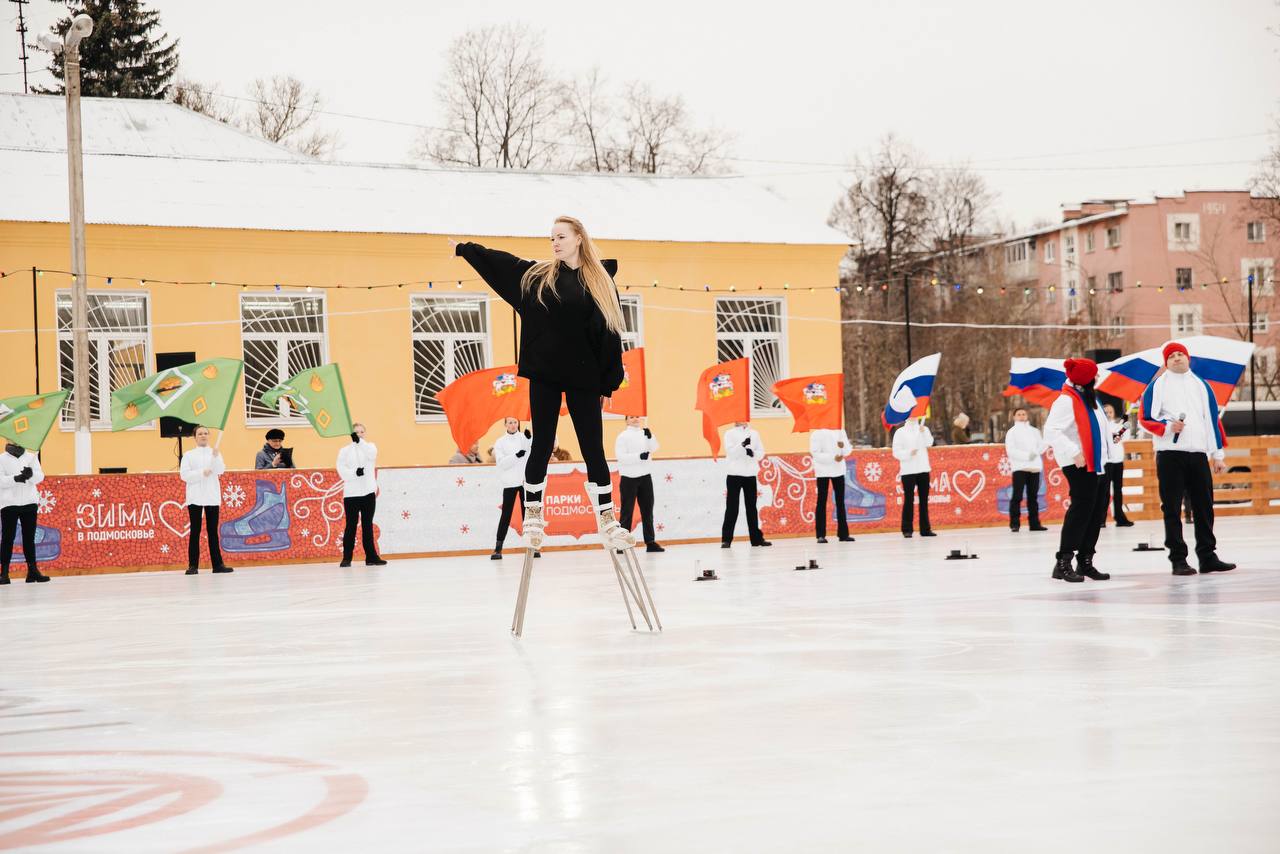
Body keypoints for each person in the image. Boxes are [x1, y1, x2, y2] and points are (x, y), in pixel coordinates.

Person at [451, 216, 634, 551]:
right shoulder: (539, 277)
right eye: (551, 238)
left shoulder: (600, 281)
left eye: (561, 237)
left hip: (583, 377)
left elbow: (610, 335)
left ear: (579, 238)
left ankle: (607, 520)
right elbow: (504, 265)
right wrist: (468, 250)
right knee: (542, 442)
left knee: (593, 447)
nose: (555, 243)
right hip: (546, 372)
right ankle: (534, 513)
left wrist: (609, 382)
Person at [1140, 342, 1235, 575]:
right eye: (1171, 356)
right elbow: (1145, 418)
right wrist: (1169, 427)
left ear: (1188, 358)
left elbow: (1211, 421)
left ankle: (1207, 556)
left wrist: (1217, 454)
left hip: (1198, 454)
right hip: (1170, 454)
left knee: (1204, 507)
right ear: (1166, 362)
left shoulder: (1202, 386)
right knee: (1172, 507)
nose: (1176, 358)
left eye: (1180, 354)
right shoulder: (1157, 386)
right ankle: (1178, 559)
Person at [1043, 358, 1111, 583]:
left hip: (1097, 463)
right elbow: (1051, 431)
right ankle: (1063, 562)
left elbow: (1096, 430)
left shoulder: (1089, 399)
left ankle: (1085, 561)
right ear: (1085, 379)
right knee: (1081, 512)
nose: (1098, 378)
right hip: (1079, 464)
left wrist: (1111, 439)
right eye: (1094, 375)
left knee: (1095, 513)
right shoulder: (1066, 401)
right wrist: (1074, 452)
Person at [180, 426, 233, 575]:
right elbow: (184, 475)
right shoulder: (189, 455)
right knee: (195, 531)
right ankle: (193, 565)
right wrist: (201, 473)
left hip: (211, 496)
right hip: (195, 497)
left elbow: (220, 470)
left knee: (212, 531)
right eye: (199, 434)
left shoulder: (215, 453)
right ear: (195, 437)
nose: (203, 436)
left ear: (209, 436)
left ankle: (217, 565)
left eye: (205, 433)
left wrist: (215, 458)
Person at [336, 423, 387, 568]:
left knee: (367, 525)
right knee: (351, 525)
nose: (359, 434)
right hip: (351, 494)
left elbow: (372, 454)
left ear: (365, 433)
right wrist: (353, 473)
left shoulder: (370, 447)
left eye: (361, 432)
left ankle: (371, 557)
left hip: (368, 492)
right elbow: (341, 469)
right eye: (356, 432)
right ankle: (347, 558)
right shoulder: (344, 451)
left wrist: (360, 443)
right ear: (351, 434)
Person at [0, 442, 50, 584]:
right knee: (7, 538)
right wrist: (15, 479)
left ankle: (32, 571)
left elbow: (40, 476)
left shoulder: (31, 457)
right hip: (9, 503)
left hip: (29, 502)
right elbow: (0, 480)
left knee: (29, 538)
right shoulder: (2, 459)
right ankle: (4, 573)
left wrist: (31, 474)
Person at [615, 415, 665, 553]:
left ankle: (650, 542)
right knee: (627, 511)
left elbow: (654, 448)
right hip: (629, 477)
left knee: (647, 511)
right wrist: (638, 456)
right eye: (632, 417)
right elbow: (620, 456)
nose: (635, 419)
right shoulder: (623, 436)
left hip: (645, 476)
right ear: (626, 420)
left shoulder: (645, 433)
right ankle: (622, 544)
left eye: (637, 417)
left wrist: (650, 437)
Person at [721, 421, 771, 548]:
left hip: (750, 474)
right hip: (734, 474)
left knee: (752, 508)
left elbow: (761, 453)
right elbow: (731, 453)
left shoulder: (754, 433)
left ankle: (756, 539)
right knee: (732, 507)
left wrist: (752, 453)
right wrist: (742, 445)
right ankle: (726, 539)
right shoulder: (729, 434)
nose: (741, 419)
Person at [491, 418, 531, 560]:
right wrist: (515, 456)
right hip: (509, 483)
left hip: (524, 482)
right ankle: (498, 548)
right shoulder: (500, 442)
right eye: (510, 423)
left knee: (528, 514)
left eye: (515, 422)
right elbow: (501, 463)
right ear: (505, 424)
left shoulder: (524, 437)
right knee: (506, 514)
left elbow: (530, 454)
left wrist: (530, 439)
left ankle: (532, 546)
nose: (513, 425)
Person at [1004, 407, 1048, 532]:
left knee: (1033, 496)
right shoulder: (1011, 432)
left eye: (1024, 414)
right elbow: (1011, 450)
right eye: (1019, 414)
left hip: (1034, 467)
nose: (1022, 416)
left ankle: (1034, 524)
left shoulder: (1034, 431)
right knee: (1017, 496)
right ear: (1014, 417)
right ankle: (1015, 523)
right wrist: (1026, 456)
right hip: (1019, 467)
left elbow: (1041, 445)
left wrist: (1036, 452)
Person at [809, 425, 854, 544]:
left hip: (838, 470)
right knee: (821, 501)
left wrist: (842, 446)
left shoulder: (840, 431)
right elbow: (816, 454)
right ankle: (820, 534)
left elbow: (848, 451)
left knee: (840, 502)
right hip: (822, 471)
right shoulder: (817, 433)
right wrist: (833, 457)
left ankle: (843, 534)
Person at [893, 417, 935, 538]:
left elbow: (929, 443)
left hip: (923, 469)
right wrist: (908, 453)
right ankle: (907, 529)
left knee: (924, 500)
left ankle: (925, 529)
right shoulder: (900, 432)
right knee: (909, 499)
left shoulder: (924, 429)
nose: (913, 417)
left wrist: (923, 433)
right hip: (908, 470)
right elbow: (896, 452)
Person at [1102, 403, 1134, 527]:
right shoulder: (1103, 427)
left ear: (1114, 413)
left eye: (1110, 412)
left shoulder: (1118, 425)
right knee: (1104, 492)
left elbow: (1125, 438)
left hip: (1118, 461)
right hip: (1107, 462)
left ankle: (1119, 517)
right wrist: (1114, 434)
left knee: (1118, 490)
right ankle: (1101, 519)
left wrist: (1125, 427)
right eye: (1106, 412)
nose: (1108, 414)